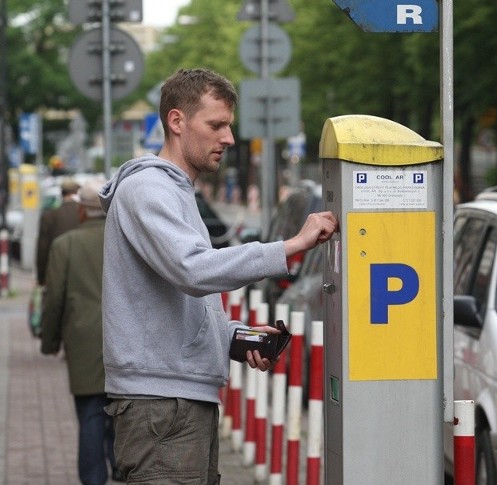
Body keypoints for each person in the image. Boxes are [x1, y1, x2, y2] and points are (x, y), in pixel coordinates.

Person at [99, 67, 337, 484]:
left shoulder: (175, 192)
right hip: (162, 404)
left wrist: (232, 338)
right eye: (216, 125)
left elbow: (175, 296)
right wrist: (290, 246)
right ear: (177, 121)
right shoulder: (148, 191)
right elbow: (193, 270)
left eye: (229, 125)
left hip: (176, 398)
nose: (228, 138)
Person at [40, 177, 123, 485]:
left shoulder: (66, 246)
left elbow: (54, 300)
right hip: (128, 338)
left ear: (80, 213)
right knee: (124, 410)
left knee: (90, 414)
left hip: (84, 342)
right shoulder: (126, 241)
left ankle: (93, 478)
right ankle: (121, 465)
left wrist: (49, 342)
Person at [36, 178, 81, 286]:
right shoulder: (83, 213)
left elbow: (42, 249)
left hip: (55, 271)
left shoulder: (48, 216)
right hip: (80, 271)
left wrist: (41, 278)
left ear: (61, 193)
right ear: (76, 192)